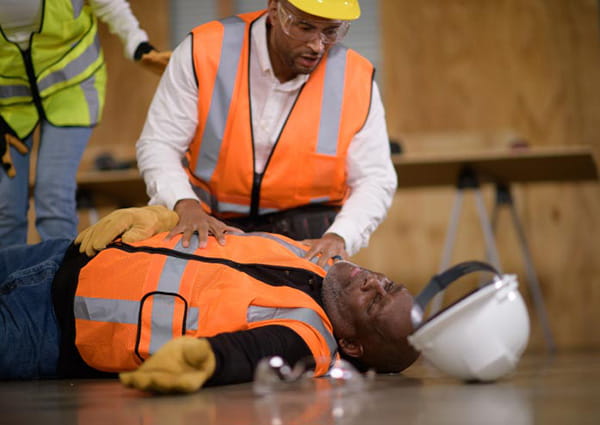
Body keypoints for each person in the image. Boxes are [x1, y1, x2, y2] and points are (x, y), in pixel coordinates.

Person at [0, 205, 419, 393]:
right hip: (59, 256)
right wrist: (162, 217)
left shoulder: (308, 335)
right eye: (390, 285)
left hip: (45, 329)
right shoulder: (310, 257)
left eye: (375, 304)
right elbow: (221, 240)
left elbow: (247, 354)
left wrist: (205, 360)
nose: (375, 283)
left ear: (350, 344)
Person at [136, 0, 397, 267]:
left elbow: (375, 178)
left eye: (330, 31)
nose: (317, 45)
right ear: (275, 11)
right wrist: (183, 204)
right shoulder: (203, 50)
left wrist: (340, 236)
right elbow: (160, 144)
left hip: (309, 235)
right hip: (210, 223)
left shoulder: (355, 78)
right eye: (305, 27)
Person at [0, 0, 172, 248]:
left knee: (53, 197)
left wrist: (138, 44)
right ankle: (10, 284)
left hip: (72, 89)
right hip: (9, 101)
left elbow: (110, 5)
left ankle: (57, 281)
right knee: (6, 207)